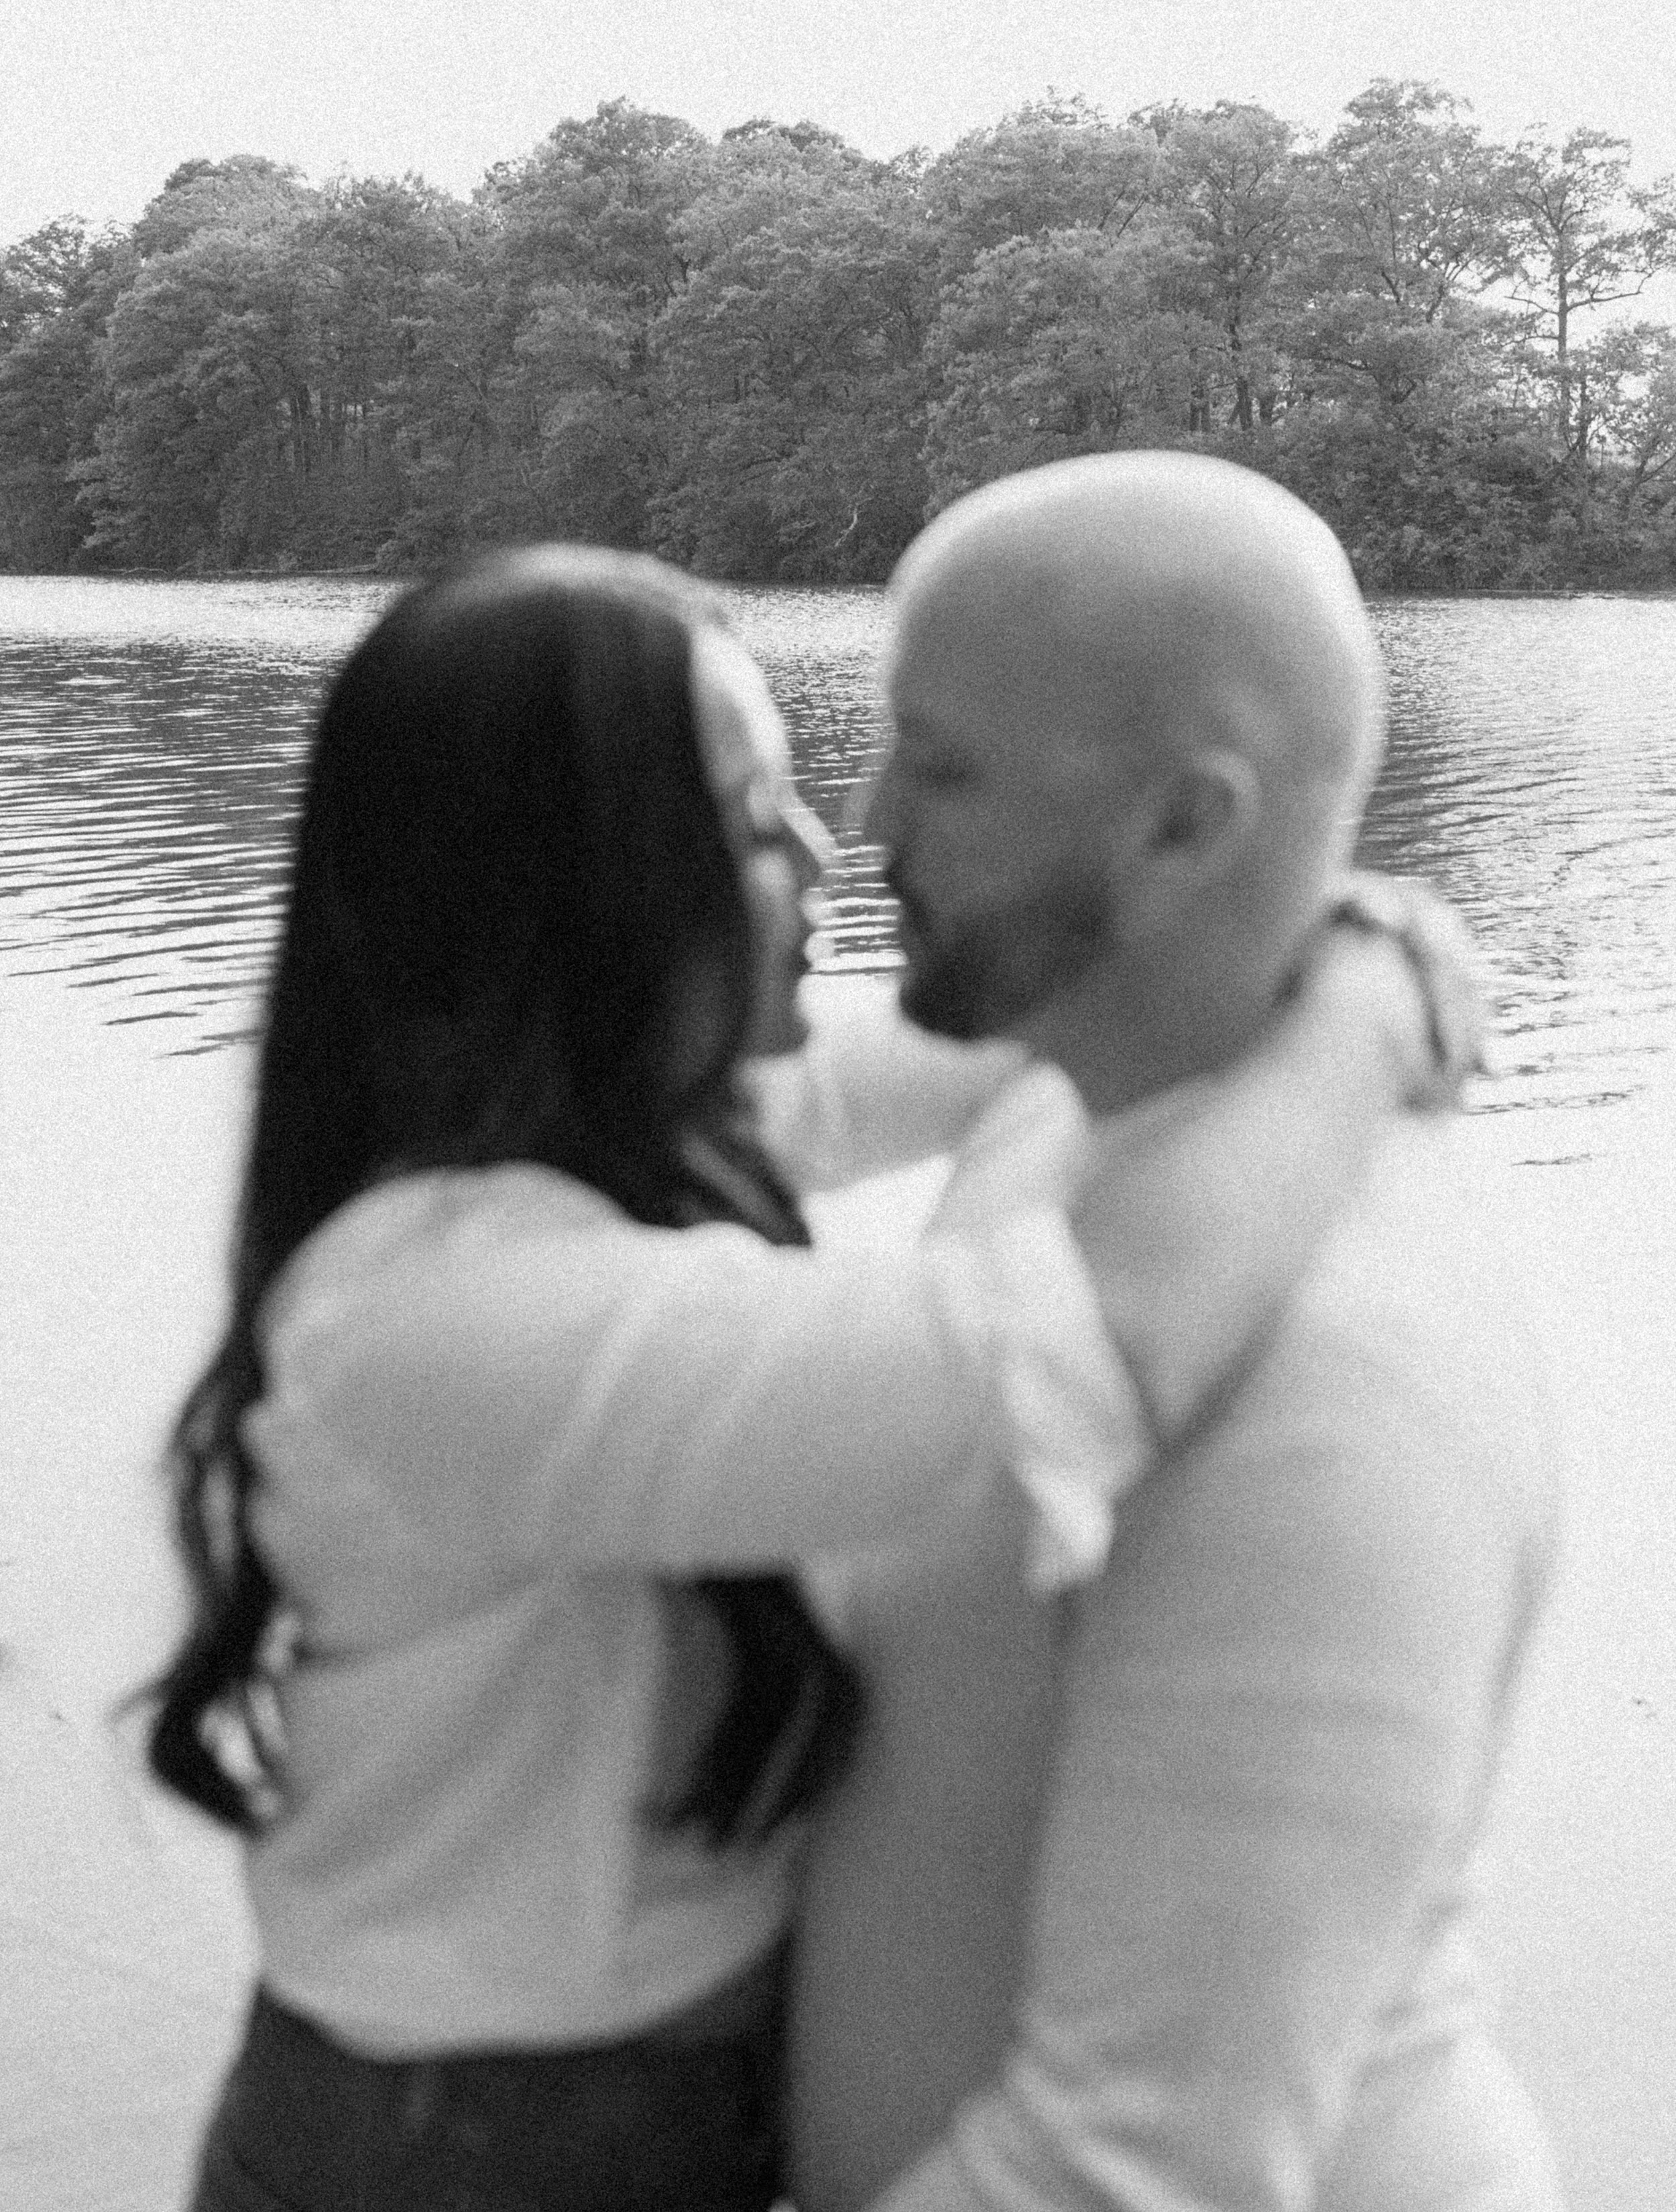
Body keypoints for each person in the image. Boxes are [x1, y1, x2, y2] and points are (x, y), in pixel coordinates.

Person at [144, 543, 1474, 2212]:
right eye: (743, 816)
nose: (826, 847)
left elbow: (1014, 1020)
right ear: (561, 885)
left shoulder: (643, 1138)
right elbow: (1093, 1342)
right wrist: (1358, 1018)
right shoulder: (440, 1315)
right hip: (450, 2165)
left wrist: (1246, 906)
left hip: (603, 2122)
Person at [788, 451, 1562, 2212]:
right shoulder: (1058, 1112)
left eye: (940, 762)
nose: (865, 816)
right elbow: (663, 1108)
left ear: (1181, 827)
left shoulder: (1333, 1381)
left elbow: (1144, 2167)